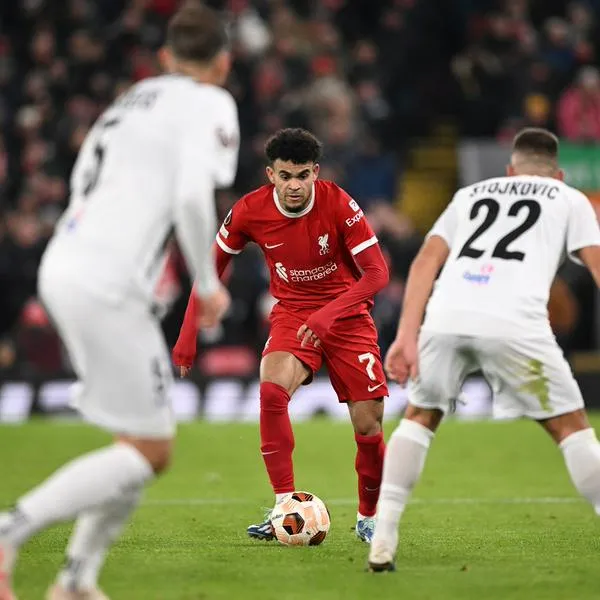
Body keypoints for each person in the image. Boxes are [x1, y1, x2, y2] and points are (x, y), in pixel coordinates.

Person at [0, 4, 239, 599]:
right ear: (223, 62)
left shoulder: (128, 103)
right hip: (110, 281)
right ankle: (10, 530)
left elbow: (83, 182)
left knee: (137, 440)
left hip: (67, 263)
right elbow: (190, 198)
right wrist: (207, 287)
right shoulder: (210, 103)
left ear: (164, 57)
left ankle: (77, 581)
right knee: (153, 448)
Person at [367, 127, 600, 572]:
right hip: (514, 323)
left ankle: (383, 538)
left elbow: (424, 262)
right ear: (559, 174)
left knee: (420, 416)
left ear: (510, 169)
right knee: (570, 428)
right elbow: (596, 263)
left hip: (447, 316)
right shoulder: (569, 199)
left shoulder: (469, 194)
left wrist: (405, 336)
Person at [173, 128, 390, 543]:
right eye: (286, 176)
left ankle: (369, 517)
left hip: (347, 315)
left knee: (368, 426)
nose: (295, 185)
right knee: (272, 392)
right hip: (292, 314)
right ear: (271, 174)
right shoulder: (248, 211)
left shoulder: (339, 203)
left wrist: (329, 314)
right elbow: (210, 272)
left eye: (303, 175)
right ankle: (284, 507)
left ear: (315, 173)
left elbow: (378, 274)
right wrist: (187, 337)